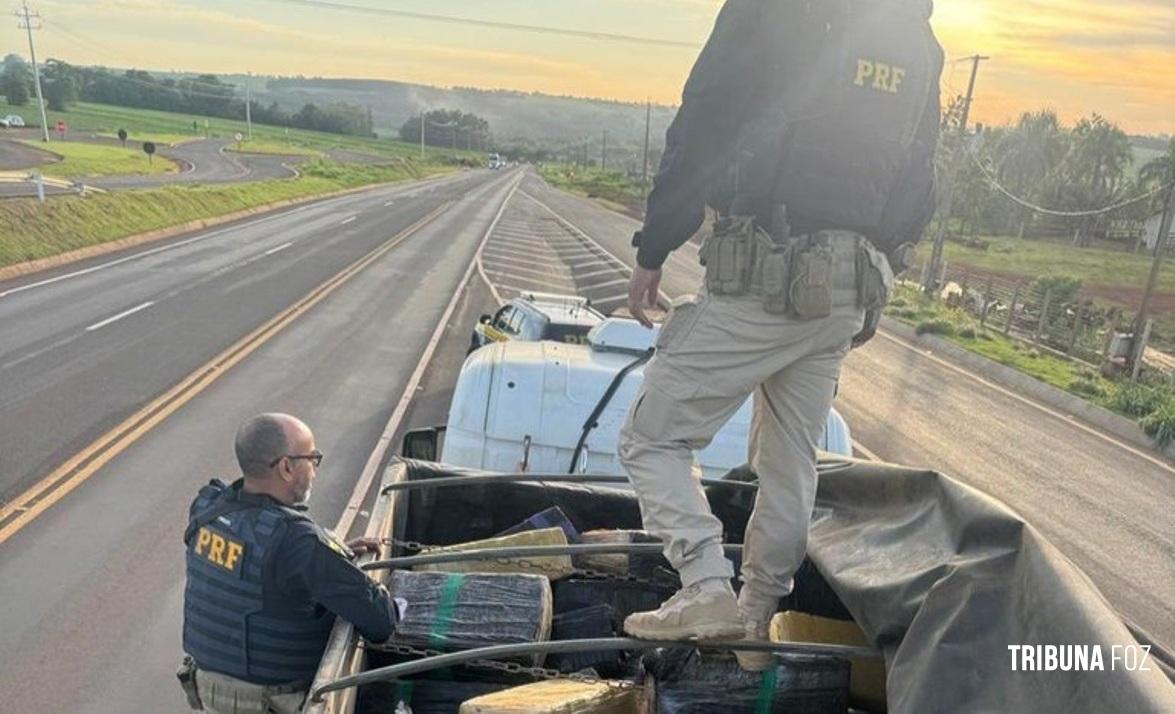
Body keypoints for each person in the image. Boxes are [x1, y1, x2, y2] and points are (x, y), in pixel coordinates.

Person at [618, 0, 943, 670]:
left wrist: (655, 246)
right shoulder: (915, 37)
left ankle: (706, 585)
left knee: (651, 437)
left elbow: (702, 120)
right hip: (846, 287)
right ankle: (753, 618)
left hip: (766, 271)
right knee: (790, 456)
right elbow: (920, 178)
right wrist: (879, 263)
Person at [179, 413, 401, 713]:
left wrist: (334, 555)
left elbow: (259, 575)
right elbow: (381, 620)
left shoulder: (208, 509)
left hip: (210, 694)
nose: (314, 469)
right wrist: (330, 560)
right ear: (286, 467)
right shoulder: (296, 541)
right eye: (312, 458)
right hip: (272, 702)